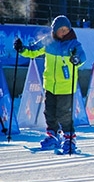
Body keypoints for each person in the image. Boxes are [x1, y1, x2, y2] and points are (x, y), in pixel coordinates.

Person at [15, 16, 86, 153]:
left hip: (65, 87)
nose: (64, 32)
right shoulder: (48, 42)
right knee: (49, 113)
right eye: (61, 30)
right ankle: (53, 136)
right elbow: (33, 50)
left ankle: (69, 138)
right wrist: (21, 49)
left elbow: (83, 57)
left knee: (64, 114)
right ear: (54, 30)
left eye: (66, 29)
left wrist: (77, 59)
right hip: (50, 86)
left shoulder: (73, 44)